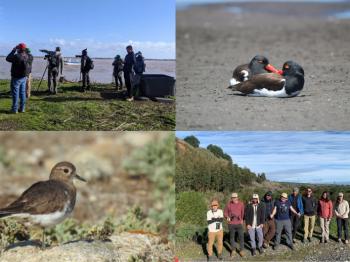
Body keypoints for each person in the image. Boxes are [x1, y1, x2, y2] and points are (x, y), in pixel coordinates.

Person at [5, 43, 29, 114]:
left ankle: (14, 109)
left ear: (19, 49)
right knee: (22, 93)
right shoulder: (26, 55)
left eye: (17, 48)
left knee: (15, 93)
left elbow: (7, 58)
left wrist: (13, 51)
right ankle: (22, 108)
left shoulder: (17, 56)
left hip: (16, 77)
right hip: (24, 77)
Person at [224, 193, 246, 259]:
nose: (234, 199)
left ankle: (241, 251)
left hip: (239, 223)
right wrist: (227, 217)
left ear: (237, 198)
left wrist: (242, 219)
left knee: (241, 237)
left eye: (235, 197)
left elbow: (243, 212)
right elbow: (225, 213)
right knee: (232, 237)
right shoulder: (228, 204)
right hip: (231, 224)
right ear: (231, 198)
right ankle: (233, 250)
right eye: (232, 197)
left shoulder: (241, 203)